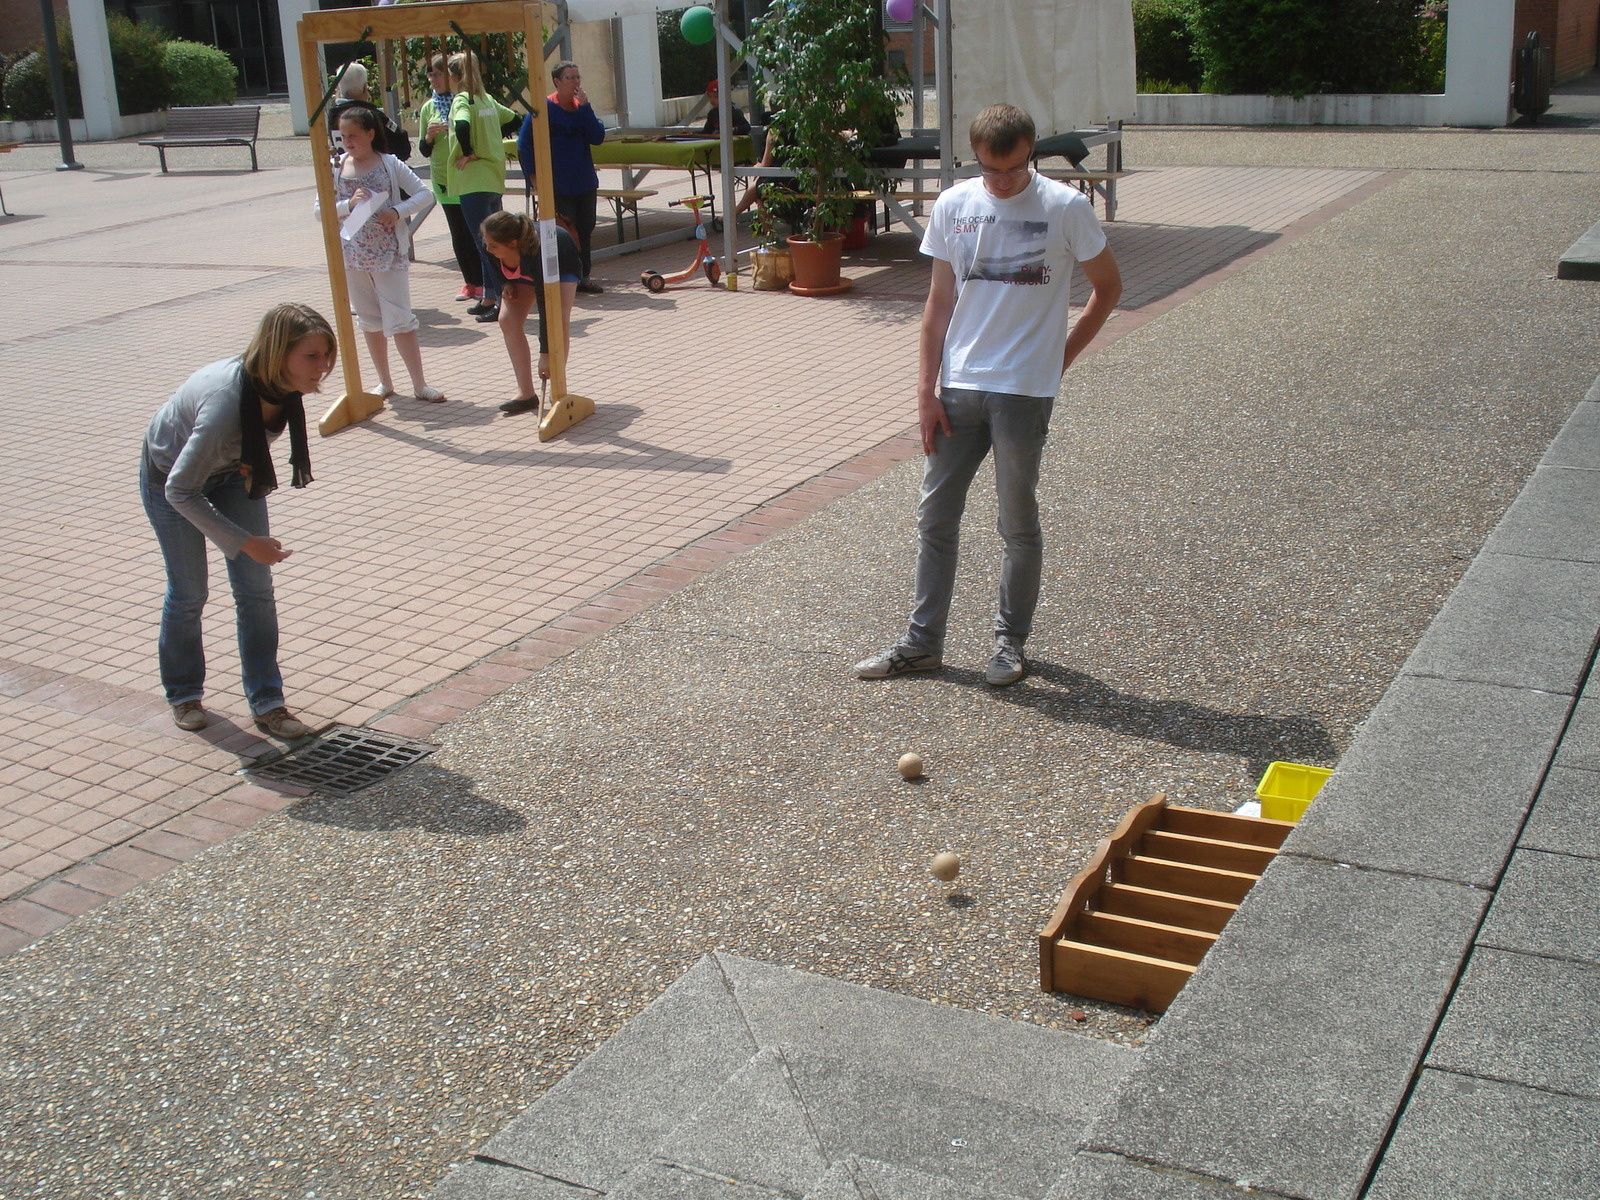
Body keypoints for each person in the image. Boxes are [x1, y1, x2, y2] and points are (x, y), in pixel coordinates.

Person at [854, 103, 1122, 688]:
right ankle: (922, 645)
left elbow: (1108, 288)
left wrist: (1060, 359)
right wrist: (925, 390)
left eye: (1013, 169)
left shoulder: (1065, 207)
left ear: (1031, 154)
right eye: (988, 169)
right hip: (960, 385)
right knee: (935, 517)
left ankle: (1009, 644)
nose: (1000, 182)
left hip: (1023, 389)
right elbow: (938, 303)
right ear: (973, 158)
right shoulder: (954, 204)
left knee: (1016, 522)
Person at [140, 303, 336, 739]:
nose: (323, 366)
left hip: (231, 472)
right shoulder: (226, 401)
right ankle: (184, 693)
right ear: (278, 353)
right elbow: (180, 490)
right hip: (170, 478)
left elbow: (247, 443)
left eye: (326, 354)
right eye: (311, 356)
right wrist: (246, 542)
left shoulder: (285, 388)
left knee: (256, 591)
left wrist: (247, 535)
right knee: (190, 592)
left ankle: (269, 703)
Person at [321, 106, 445, 403]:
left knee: (400, 317)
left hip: (388, 253)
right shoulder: (336, 167)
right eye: (343, 136)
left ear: (370, 133)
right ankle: (384, 382)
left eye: (353, 135)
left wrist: (397, 212)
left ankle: (419, 384)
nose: (347, 142)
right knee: (369, 319)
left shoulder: (389, 163)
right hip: (353, 255)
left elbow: (425, 194)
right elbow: (319, 210)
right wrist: (348, 205)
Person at [479, 210, 580, 417]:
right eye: (486, 243)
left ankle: (557, 390)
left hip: (560, 261)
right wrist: (504, 283)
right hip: (524, 271)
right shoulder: (489, 246)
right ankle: (526, 393)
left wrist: (545, 354)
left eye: (493, 245)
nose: (488, 249)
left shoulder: (537, 253)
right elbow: (492, 266)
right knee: (507, 320)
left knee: (559, 318)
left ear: (513, 243)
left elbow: (546, 309)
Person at [518, 60, 605, 294]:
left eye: (578, 77)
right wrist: (534, 178)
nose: (576, 82)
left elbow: (597, 137)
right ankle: (566, 278)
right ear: (557, 82)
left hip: (584, 181)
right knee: (565, 232)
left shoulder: (581, 108)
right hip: (558, 184)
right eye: (570, 78)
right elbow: (524, 145)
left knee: (585, 228)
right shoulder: (543, 109)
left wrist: (586, 108)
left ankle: (583, 277)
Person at [448, 51, 522, 323]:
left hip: (473, 181)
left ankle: (501, 299)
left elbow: (462, 124)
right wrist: (492, 140)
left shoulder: (462, 99)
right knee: (492, 240)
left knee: (486, 245)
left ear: (456, 76)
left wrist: (468, 151)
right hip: (493, 177)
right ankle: (489, 296)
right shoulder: (487, 99)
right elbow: (516, 119)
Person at [416, 53, 483, 305]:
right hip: (443, 178)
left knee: (476, 231)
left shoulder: (465, 100)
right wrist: (429, 137)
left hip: (468, 176)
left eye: (438, 74)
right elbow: (423, 150)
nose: (433, 79)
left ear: (452, 76)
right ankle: (470, 282)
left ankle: (486, 281)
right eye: (430, 74)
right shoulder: (428, 108)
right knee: (458, 233)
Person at [327, 60, 411, 161]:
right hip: (372, 168)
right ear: (364, 87)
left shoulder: (333, 115)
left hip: (344, 168)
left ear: (339, 88)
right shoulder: (372, 114)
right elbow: (402, 145)